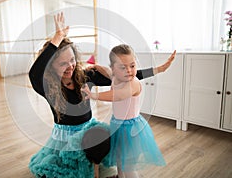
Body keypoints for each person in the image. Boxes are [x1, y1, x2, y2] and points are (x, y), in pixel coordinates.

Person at [28, 12, 175, 178]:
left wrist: (157, 70)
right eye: (63, 63)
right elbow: (34, 73)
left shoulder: (83, 76)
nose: (70, 66)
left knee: (107, 138)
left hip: (89, 131)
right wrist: (58, 37)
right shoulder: (48, 86)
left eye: (72, 60)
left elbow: (125, 75)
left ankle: (97, 167)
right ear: (51, 66)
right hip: (65, 138)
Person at [81, 44, 168, 178]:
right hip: (117, 124)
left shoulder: (133, 83)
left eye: (132, 66)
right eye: (123, 67)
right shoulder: (116, 77)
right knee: (119, 160)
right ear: (114, 69)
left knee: (128, 165)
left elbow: (119, 95)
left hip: (131, 128)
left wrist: (95, 95)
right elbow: (107, 72)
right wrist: (96, 66)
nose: (128, 70)